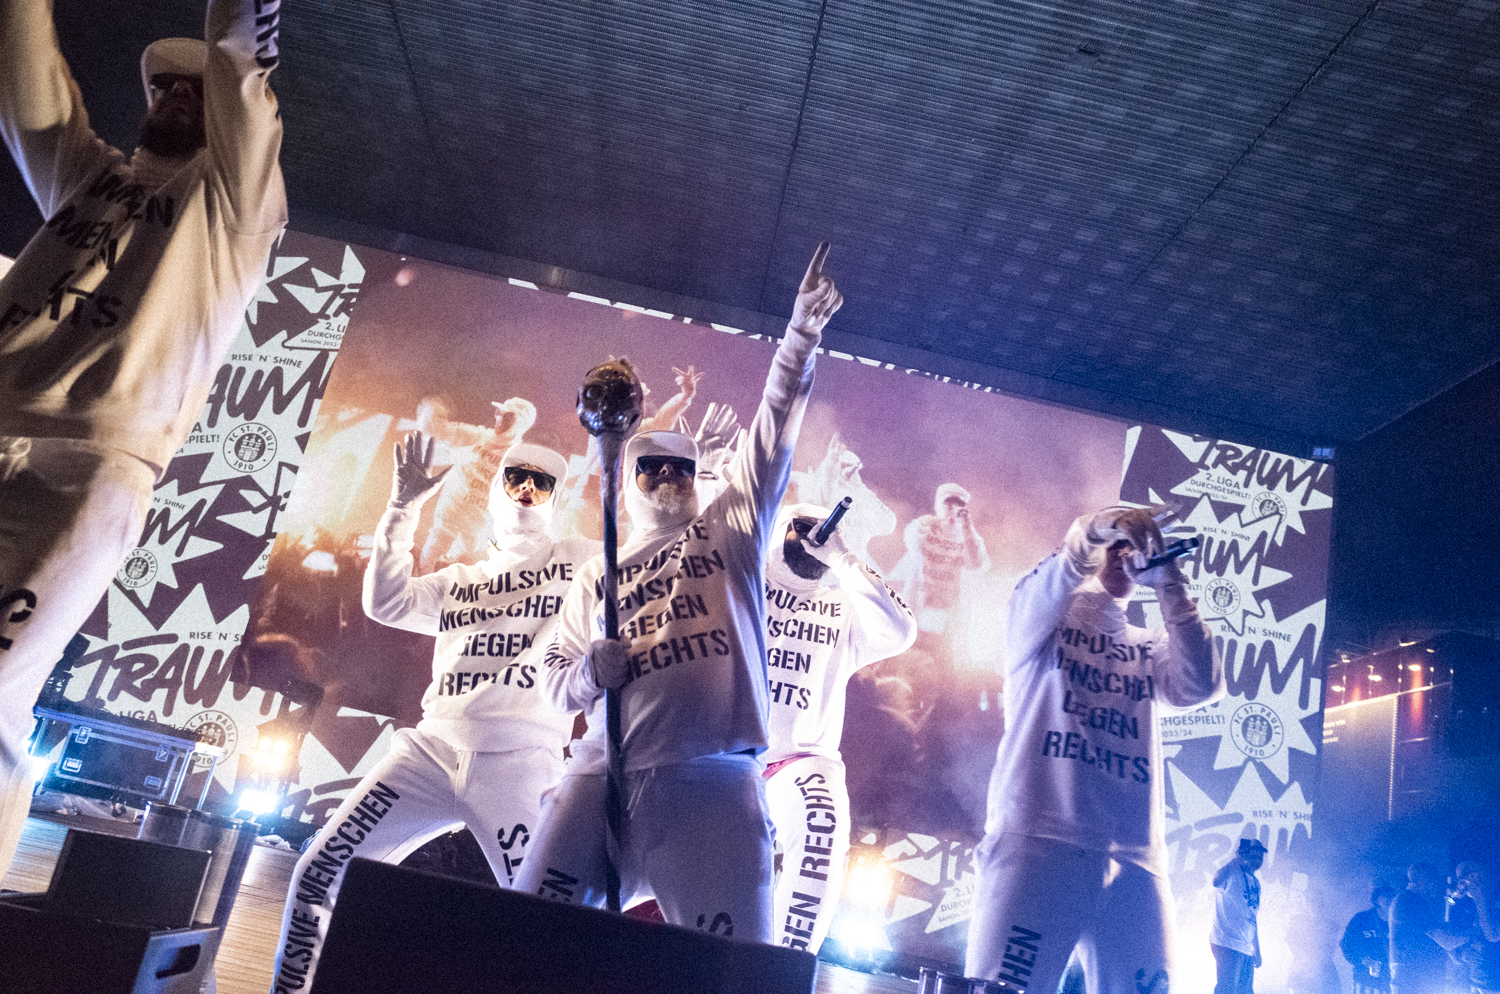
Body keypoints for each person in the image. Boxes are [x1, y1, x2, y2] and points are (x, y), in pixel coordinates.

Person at [0, 0, 286, 878]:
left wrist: (232, 50)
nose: (172, 95)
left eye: (192, 89)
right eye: (160, 86)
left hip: (87, 470)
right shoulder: (91, 180)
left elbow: (240, 64)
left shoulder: (232, 213)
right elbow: (27, 91)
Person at [514, 243, 842, 941]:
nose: (669, 474)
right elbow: (551, 683)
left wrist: (800, 337)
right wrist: (586, 673)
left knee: (731, 974)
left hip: (711, 787)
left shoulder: (731, 528)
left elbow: (773, 434)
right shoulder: (598, 573)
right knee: (519, 943)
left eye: (681, 466)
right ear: (630, 481)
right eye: (652, 465)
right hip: (599, 779)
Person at [268, 435, 596, 993]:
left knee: (548, 921)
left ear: (555, 498)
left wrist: (699, 479)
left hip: (520, 763)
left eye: (542, 483)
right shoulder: (461, 582)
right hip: (430, 755)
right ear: (496, 487)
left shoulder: (578, 560)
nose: (526, 488)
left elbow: (650, 556)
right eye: (516, 476)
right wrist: (402, 509)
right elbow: (387, 602)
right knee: (318, 872)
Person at [964, 504, 1223, 994]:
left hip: (1136, 855)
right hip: (1040, 844)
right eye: (1117, 543)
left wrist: (1170, 586)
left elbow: (1201, 685)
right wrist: (1091, 532)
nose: (1127, 554)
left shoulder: (1147, 646)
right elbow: (1050, 583)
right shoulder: (1041, 626)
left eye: (1135, 545)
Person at [761, 502, 916, 952]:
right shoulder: (742, 586)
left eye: (824, 531)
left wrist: (843, 559)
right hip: (723, 759)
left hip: (801, 760)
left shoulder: (843, 606)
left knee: (822, 826)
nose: (815, 536)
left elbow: (901, 632)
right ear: (778, 531)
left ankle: (783, 967)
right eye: (801, 527)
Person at [1211, 838, 1267, 994]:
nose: (1257, 860)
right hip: (1227, 941)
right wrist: (1236, 860)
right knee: (1227, 989)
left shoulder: (1256, 883)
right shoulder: (1232, 874)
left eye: (1260, 857)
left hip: (1245, 946)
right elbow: (1216, 881)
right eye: (1253, 856)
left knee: (1245, 991)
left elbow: (1252, 918)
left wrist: (1256, 949)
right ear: (1245, 855)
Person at [1390, 863, 1450, 994]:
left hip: (1414, 977)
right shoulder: (1411, 902)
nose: (1436, 884)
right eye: (1433, 879)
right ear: (1422, 879)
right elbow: (1445, 940)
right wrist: (1474, 932)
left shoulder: (1409, 899)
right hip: (1414, 979)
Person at [1342, 885, 1397, 994]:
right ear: (1376, 900)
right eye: (1385, 895)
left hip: (1391, 982)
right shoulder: (1361, 920)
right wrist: (1360, 959)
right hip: (1365, 982)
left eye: (1391, 895)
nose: (1388, 898)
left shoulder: (1400, 921)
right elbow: (1346, 944)